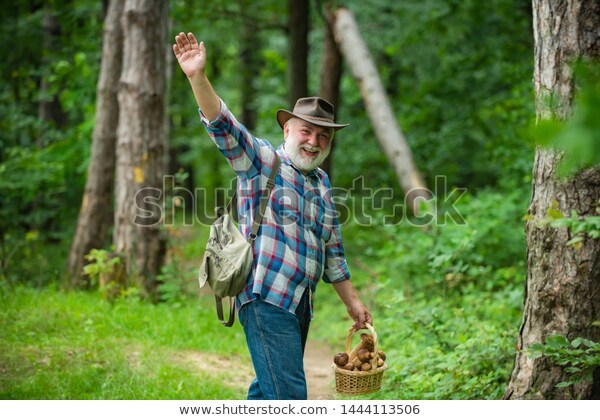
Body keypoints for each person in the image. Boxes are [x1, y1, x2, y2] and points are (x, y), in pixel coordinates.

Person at [173, 32, 372, 400]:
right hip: (266, 297)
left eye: (323, 137)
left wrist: (353, 302)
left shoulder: (323, 183)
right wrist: (197, 77)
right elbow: (224, 127)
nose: (313, 141)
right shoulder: (265, 162)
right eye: (306, 131)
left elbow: (334, 254)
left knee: (268, 393)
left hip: (301, 304)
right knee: (289, 396)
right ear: (287, 130)